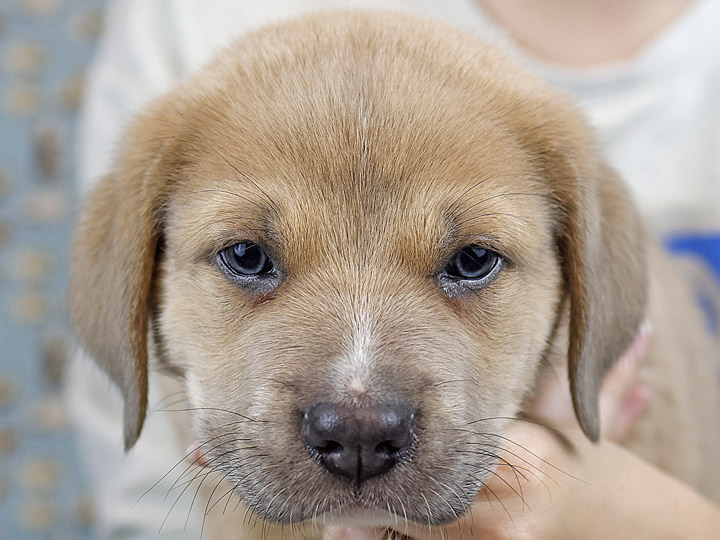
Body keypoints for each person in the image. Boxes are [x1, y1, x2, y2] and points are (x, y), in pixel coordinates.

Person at [68, 1, 720, 538]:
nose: (359, 417)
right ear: (142, 280)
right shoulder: (186, 19)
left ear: (577, 275)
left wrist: (635, 515)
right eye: (248, 258)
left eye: (471, 262)